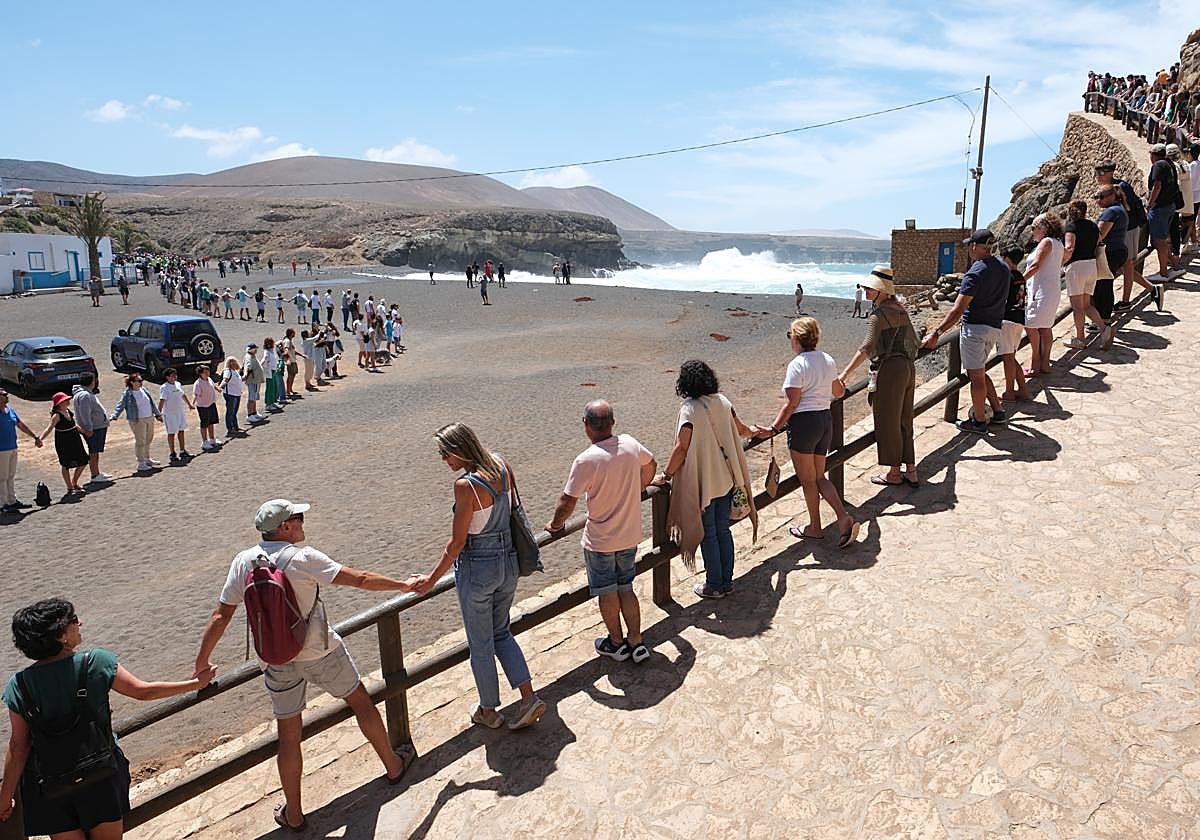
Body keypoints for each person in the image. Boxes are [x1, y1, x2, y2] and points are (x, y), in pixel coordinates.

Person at [193, 500, 416, 830]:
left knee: (289, 737)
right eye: (298, 518)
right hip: (320, 652)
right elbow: (360, 579)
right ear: (284, 527)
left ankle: (294, 814)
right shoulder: (304, 558)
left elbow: (220, 615)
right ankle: (394, 766)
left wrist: (201, 663)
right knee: (361, 702)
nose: (302, 522)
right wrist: (403, 585)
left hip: (276, 661)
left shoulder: (243, 562)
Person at [0, 598, 214, 839]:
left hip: (50, 784)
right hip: (99, 774)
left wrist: (5, 797)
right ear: (61, 636)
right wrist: (195, 684)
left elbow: (18, 747)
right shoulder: (95, 662)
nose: (80, 623)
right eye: (73, 620)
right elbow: (143, 692)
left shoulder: (19, 685)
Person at [408, 425, 548, 729]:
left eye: (445, 453)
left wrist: (431, 580)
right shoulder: (502, 464)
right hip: (508, 562)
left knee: (481, 643)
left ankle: (488, 710)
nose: (443, 460)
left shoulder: (465, 486)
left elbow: (456, 543)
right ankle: (528, 697)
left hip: (479, 569)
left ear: (458, 450)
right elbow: (516, 510)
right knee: (501, 632)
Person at [546, 401, 656, 663]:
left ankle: (616, 643)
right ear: (613, 423)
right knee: (626, 587)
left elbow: (567, 501)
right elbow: (651, 465)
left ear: (586, 425)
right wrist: (638, 489)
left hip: (600, 540)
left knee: (607, 591)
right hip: (629, 535)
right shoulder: (629, 444)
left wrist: (555, 525)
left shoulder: (586, 459)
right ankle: (636, 641)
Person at [652, 362, 757, 598]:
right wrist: (756, 432)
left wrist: (665, 475)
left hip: (705, 483)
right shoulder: (723, 401)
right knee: (722, 530)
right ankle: (726, 582)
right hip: (727, 479)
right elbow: (741, 429)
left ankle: (714, 584)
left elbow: (682, 447)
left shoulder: (689, 409)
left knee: (709, 533)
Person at [754, 318, 860, 546]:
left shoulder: (797, 364)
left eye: (790, 335)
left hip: (804, 425)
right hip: (825, 421)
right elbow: (838, 392)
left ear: (797, 338)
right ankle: (843, 517)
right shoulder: (827, 359)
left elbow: (792, 403)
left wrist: (773, 429)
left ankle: (815, 527)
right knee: (820, 476)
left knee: (808, 481)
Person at [836, 267, 920, 486]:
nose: (866, 291)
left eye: (870, 288)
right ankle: (911, 470)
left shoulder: (879, 315)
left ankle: (894, 473)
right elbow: (915, 341)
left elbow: (866, 347)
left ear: (882, 291)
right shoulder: (900, 309)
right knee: (905, 419)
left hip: (890, 370)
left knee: (888, 421)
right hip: (907, 367)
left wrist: (844, 375)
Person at [921, 229, 1010, 434]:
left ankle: (979, 421)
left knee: (975, 377)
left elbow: (958, 309)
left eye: (970, 244)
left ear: (975, 246)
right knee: (979, 371)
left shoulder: (976, 272)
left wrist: (937, 332)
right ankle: (997, 411)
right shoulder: (1003, 268)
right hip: (994, 327)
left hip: (975, 329)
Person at [1094, 161, 1158, 310]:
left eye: (1100, 173)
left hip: (1127, 230)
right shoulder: (1110, 189)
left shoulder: (1120, 187)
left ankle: (1126, 300)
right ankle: (1151, 288)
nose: (1097, 176)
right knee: (1124, 266)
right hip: (1123, 230)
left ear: (1110, 173)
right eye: (1096, 173)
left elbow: (1126, 211)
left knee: (1126, 266)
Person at [1060, 201, 1108, 350]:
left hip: (1077, 268)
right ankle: (1104, 329)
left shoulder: (1071, 227)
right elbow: (1099, 242)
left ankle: (1080, 339)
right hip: (1091, 266)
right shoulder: (1093, 225)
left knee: (1077, 307)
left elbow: (1069, 248)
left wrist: (1060, 263)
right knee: (1086, 305)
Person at [1023, 212, 1065, 376]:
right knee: (1045, 327)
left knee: (1030, 324)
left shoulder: (1046, 242)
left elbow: (1036, 265)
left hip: (1041, 291)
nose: (1032, 231)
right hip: (1051, 289)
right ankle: (1045, 363)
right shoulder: (1058, 243)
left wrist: (1017, 281)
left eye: (1034, 227)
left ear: (1045, 228)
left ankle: (1036, 362)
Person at [998, 248, 1033, 402]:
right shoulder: (1020, 276)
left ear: (1007, 258)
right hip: (1019, 318)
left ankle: (1009, 392)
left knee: (1007, 358)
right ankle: (1023, 390)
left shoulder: (1006, 276)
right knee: (1011, 357)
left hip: (1007, 319)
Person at [110, 373, 162, 473]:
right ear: (132, 382)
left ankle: (147, 459)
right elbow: (120, 405)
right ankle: (141, 463)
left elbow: (151, 403)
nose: (141, 382)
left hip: (149, 417)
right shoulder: (127, 394)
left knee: (148, 439)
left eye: (141, 380)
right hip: (137, 420)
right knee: (140, 441)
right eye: (138, 381)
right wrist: (114, 416)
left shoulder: (144, 390)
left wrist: (157, 414)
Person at [0, 388, 42, 513]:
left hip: (12, 447)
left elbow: (21, 425)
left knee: (10, 475)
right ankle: (3, 504)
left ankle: (12, 501)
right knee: (2, 477)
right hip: (1, 450)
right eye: (4, 395)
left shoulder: (10, 410)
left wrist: (35, 437)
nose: (7, 396)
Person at [40, 393, 89, 495]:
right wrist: (40, 439)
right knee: (66, 464)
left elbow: (74, 425)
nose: (68, 401)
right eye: (65, 400)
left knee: (83, 460)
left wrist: (83, 431)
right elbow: (49, 428)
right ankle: (70, 487)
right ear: (60, 403)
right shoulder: (56, 415)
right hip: (64, 442)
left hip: (75, 439)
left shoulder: (68, 411)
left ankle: (74, 482)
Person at [1146, 143, 1180, 282]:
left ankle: (1163, 273)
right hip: (1170, 205)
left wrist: (1149, 204)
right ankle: (1175, 265)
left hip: (1160, 207)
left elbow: (1157, 185)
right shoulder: (1169, 164)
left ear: (1154, 155)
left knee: (1158, 241)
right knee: (1161, 240)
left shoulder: (1158, 165)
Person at [72, 374, 112, 485]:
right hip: (93, 428)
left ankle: (97, 473)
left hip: (96, 427)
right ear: (91, 381)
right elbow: (85, 413)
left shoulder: (85, 393)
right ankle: (94, 475)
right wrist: (89, 429)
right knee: (93, 452)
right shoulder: (85, 395)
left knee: (95, 451)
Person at [157, 368, 194, 462]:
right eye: (172, 375)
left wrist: (189, 404)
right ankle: (172, 453)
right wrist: (158, 414)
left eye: (175, 375)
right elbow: (162, 401)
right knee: (171, 433)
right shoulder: (164, 387)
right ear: (167, 377)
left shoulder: (178, 384)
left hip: (180, 413)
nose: (175, 377)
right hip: (170, 414)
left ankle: (182, 451)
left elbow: (183, 395)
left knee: (181, 431)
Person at [192, 364, 222, 450]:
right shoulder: (198, 384)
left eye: (208, 371)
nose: (207, 373)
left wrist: (218, 388)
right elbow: (195, 394)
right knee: (204, 424)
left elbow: (213, 385)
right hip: (203, 406)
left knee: (211, 422)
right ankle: (204, 442)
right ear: (200, 373)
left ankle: (212, 439)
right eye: (205, 372)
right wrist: (192, 404)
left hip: (211, 404)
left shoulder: (209, 379)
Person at [242, 343, 267, 423]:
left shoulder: (252, 356)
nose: (256, 350)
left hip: (256, 380)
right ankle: (250, 415)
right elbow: (247, 367)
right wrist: (245, 375)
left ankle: (254, 413)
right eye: (255, 349)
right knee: (251, 398)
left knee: (254, 397)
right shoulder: (248, 357)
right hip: (252, 381)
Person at [220, 358, 245, 436]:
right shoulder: (228, 371)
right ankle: (230, 429)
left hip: (237, 394)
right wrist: (221, 386)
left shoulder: (235, 371)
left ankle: (235, 427)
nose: (233, 364)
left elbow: (239, 380)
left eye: (234, 362)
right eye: (231, 362)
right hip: (230, 395)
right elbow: (225, 379)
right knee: (230, 412)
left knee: (234, 412)